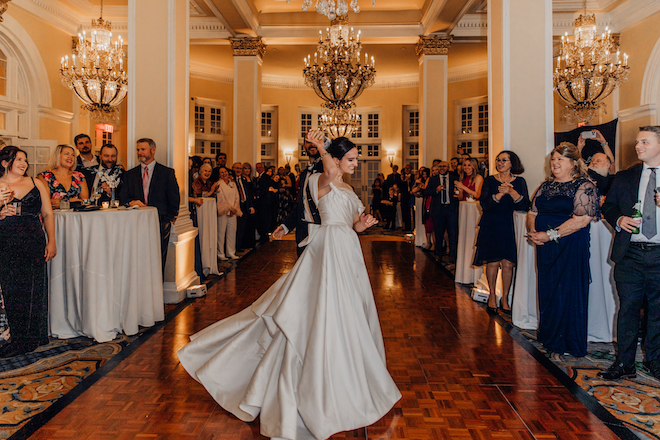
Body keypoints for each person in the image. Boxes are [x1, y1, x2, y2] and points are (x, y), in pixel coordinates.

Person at [177, 130, 401, 440]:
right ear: (335, 160)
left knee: (348, 312)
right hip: (328, 252)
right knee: (316, 312)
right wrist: (323, 148)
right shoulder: (320, 181)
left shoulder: (348, 188)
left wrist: (362, 226)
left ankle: (349, 375)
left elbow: (352, 224)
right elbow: (329, 173)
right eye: (351, 158)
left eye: (356, 158)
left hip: (348, 250)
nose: (356, 163)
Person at [526, 142, 600, 357]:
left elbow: (582, 220)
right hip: (545, 247)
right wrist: (533, 232)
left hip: (570, 246)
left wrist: (549, 235)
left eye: (561, 159)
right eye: (553, 158)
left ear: (573, 163)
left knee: (568, 291)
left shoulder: (585, 186)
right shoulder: (545, 186)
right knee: (548, 289)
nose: (555, 163)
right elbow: (532, 212)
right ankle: (550, 337)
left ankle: (568, 342)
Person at [598, 126, 660, 380]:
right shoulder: (624, 177)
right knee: (627, 310)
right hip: (631, 254)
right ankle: (624, 364)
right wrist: (619, 218)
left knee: (658, 312)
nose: (638, 146)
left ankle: (655, 361)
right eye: (637, 142)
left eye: (644, 141)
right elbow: (609, 208)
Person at [0, 146, 56, 357]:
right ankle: (14, 336)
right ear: (6, 163)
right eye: (18, 160)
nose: (24, 163)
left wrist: (52, 241)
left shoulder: (36, 183)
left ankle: (34, 335)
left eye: (25, 160)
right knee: (10, 287)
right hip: (5, 241)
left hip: (33, 238)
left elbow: (48, 214)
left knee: (33, 285)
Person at [473, 151, 529, 314]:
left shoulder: (520, 181)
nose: (500, 163)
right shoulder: (490, 180)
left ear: (512, 163)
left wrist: (511, 192)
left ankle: (505, 298)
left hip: (509, 226)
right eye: (498, 160)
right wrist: (500, 193)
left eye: (504, 160)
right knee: (492, 262)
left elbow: (524, 205)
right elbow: (485, 204)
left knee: (508, 263)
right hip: (491, 224)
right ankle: (492, 296)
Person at [120, 138, 180, 272]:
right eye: (138, 150)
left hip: (160, 222)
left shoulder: (166, 173)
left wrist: (169, 219)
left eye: (143, 149)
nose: (139, 153)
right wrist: (131, 202)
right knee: (139, 258)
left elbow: (174, 198)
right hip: (136, 222)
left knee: (158, 257)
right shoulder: (130, 174)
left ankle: (157, 288)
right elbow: (123, 197)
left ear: (153, 150)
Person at [273, 136, 324, 256]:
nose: (312, 145)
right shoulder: (304, 174)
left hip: (322, 231)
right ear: (303, 147)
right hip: (303, 232)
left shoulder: (327, 171)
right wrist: (285, 226)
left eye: (316, 141)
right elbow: (302, 205)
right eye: (308, 142)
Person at [424, 161, 459, 260]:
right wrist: (436, 190)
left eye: (444, 166)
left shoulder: (453, 178)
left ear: (448, 168)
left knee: (452, 232)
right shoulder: (433, 179)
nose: (442, 168)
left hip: (450, 209)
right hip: (438, 210)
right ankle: (439, 253)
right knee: (438, 232)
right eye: (440, 166)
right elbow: (426, 191)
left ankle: (453, 254)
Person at [38, 144, 90, 208]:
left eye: (73, 155)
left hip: (76, 216)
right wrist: (74, 201)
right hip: (53, 216)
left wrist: (63, 203)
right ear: (57, 156)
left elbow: (84, 202)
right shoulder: (45, 177)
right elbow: (45, 202)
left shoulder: (79, 176)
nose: (70, 157)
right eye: (66, 154)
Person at [216, 167, 241, 260]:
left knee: (232, 232)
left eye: (225, 172)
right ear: (219, 175)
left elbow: (237, 197)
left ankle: (231, 252)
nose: (224, 174)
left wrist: (234, 209)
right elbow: (221, 199)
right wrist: (228, 208)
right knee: (221, 233)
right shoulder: (218, 184)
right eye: (221, 172)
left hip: (233, 212)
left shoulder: (232, 184)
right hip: (223, 211)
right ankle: (220, 253)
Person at [233, 162, 253, 252]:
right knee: (235, 229)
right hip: (236, 207)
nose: (238, 170)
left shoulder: (243, 180)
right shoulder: (231, 181)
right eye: (236, 168)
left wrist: (250, 206)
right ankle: (235, 247)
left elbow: (248, 194)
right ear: (233, 169)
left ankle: (240, 246)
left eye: (240, 169)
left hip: (245, 206)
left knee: (242, 228)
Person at [411, 167, 429, 248]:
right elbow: (413, 190)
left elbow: (424, 189)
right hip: (417, 200)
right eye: (422, 172)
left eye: (424, 173)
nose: (423, 174)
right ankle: (419, 238)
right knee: (418, 218)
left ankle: (425, 239)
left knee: (423, 219)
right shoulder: (418, 180)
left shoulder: (428, 180)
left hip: (423, 199)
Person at [241, 162, 257, 249]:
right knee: (246, 224)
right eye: (245, 168)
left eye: (248, 169)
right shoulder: (242, 179)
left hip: (253, 202)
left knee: (252, 224)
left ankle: (251, 243)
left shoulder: (252, 179)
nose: (247, 170)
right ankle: (245, 243)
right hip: (247, 203)